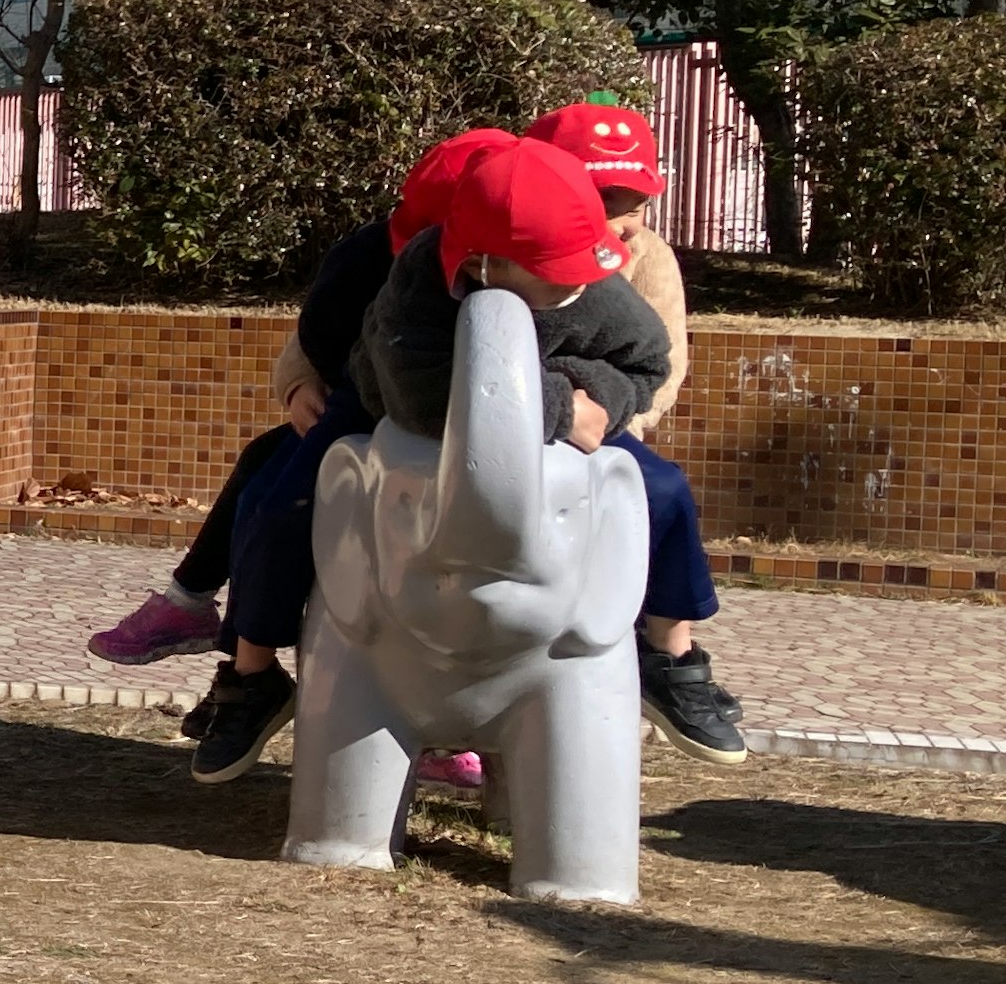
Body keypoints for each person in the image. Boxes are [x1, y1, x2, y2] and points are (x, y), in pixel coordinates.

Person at [187, 134, 668, 783]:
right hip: (391, 410)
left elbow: (647, 359)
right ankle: (253, 670)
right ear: (485, 262)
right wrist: (555, 403)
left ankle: (670, 654)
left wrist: (600, 402)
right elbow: (417, 393)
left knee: (662, 491)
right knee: (287, 503)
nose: (582, 274)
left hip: (553, 436)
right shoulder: (416, 280)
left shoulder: (594, 285)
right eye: (558, 264)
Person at [92, 131, 519, 670]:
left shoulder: (564, 269)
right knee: (267, 483)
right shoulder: (368, 256)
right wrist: (302, 384)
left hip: (490, 435)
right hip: (367, 411)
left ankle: (655, 637)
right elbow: (319, 332)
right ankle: (234, 655)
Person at [522, 100, 749, 763]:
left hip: (598, 428)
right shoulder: (505, 248)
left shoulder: (646, 259)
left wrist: (606, 419)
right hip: (497, 425)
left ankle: (669, 652)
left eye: (634, 200)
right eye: (602, 197)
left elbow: (665, 363)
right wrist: (301, 380)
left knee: (664, 493)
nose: (621, 219)